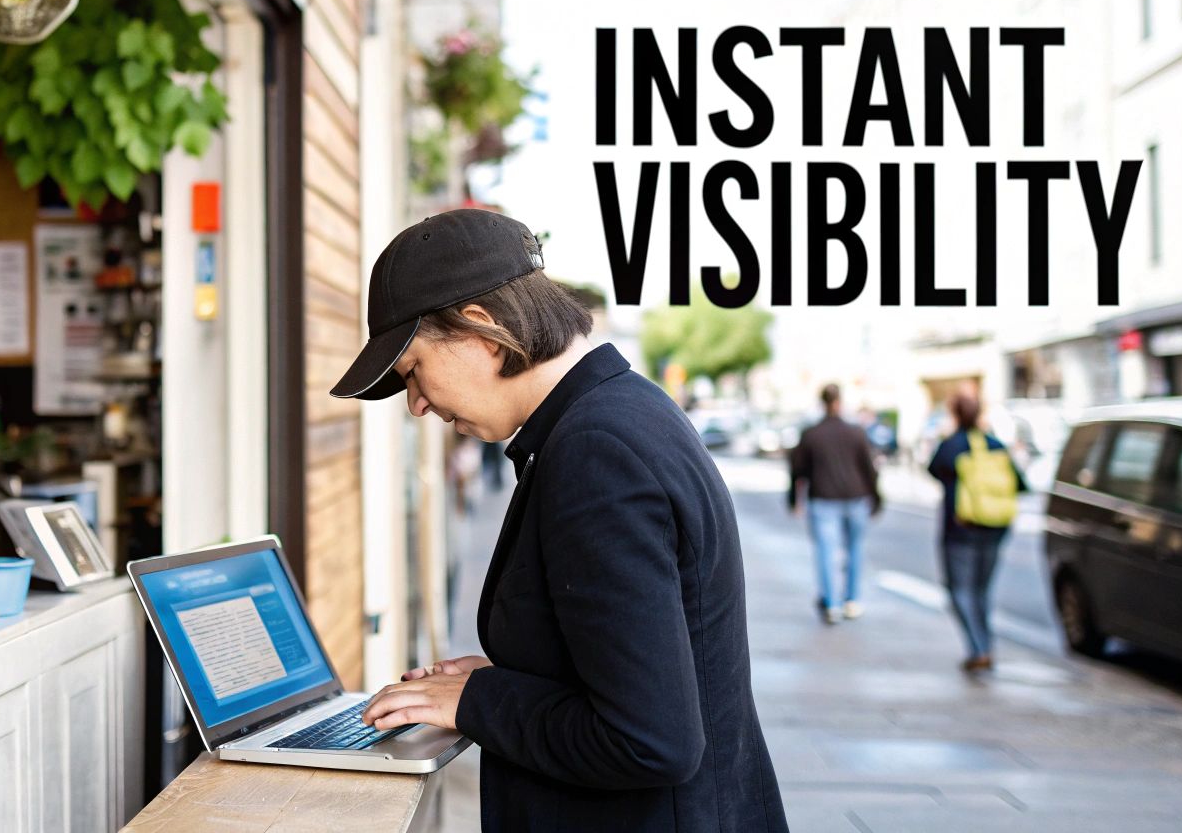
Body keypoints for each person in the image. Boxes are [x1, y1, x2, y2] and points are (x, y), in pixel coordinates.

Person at [335, 210, 787, 833]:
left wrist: (478, 701)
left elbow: (648, 738)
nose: (417, 404)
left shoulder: (596, 451)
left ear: (483, 331)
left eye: (413, 370)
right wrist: (514, 679)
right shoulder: (622, 410)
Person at [926, 387, 1027, 671]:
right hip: (995, 527)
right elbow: (1019, 484)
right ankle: (985, 645)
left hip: (960, 529)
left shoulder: (950, 446)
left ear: (955, 414)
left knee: (960, 589)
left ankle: (978, 647)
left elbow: (933, 471)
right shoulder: (996, 445)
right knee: (981, 590)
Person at [788, 384, 881, 623]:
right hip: (855, 498)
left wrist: (793, 498)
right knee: (855, 550)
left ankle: (832, 604)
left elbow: (797, 470)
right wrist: (876, 496)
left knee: (826, 553)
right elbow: (869, 469)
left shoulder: (811, 434)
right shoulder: (856, 432)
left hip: (823, 499)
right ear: (840, 401)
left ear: (822, 403)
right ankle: (851, 600)